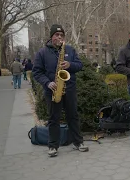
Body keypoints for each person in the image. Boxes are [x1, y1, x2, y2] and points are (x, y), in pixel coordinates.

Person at [32, 24, 88, 157]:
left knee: (73, 116)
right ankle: (53, 146)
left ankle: (78, 142)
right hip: (53, 90)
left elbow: (80, 65)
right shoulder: (42, 52)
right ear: (51, 37)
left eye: (61, 35)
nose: (59, 37)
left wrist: (70, 65)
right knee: (53, 118)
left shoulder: (70, 49)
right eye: (57, 35)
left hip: (69, 89)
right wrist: (47, 82)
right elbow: (37, 72)